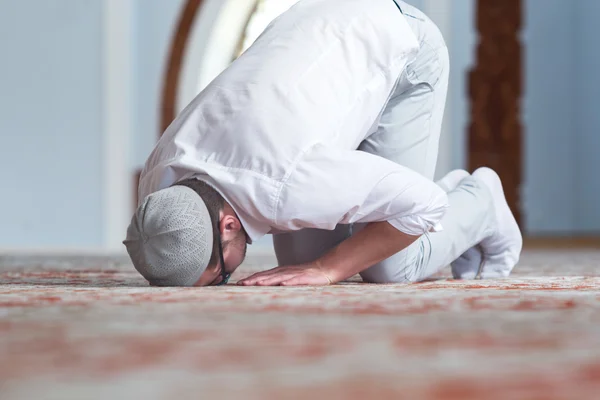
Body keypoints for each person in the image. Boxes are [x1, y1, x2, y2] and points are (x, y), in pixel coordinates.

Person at [124, 0, 522, 287]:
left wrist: (328, 269)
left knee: (391, 268)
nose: (223, 282)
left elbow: (425, 205)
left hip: (401, 46)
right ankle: (424, 196)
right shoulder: (158, 183)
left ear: (228, 225)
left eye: (220, 277)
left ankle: (480, 198)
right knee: (302, 261)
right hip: (321, 29)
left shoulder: (287, 181)